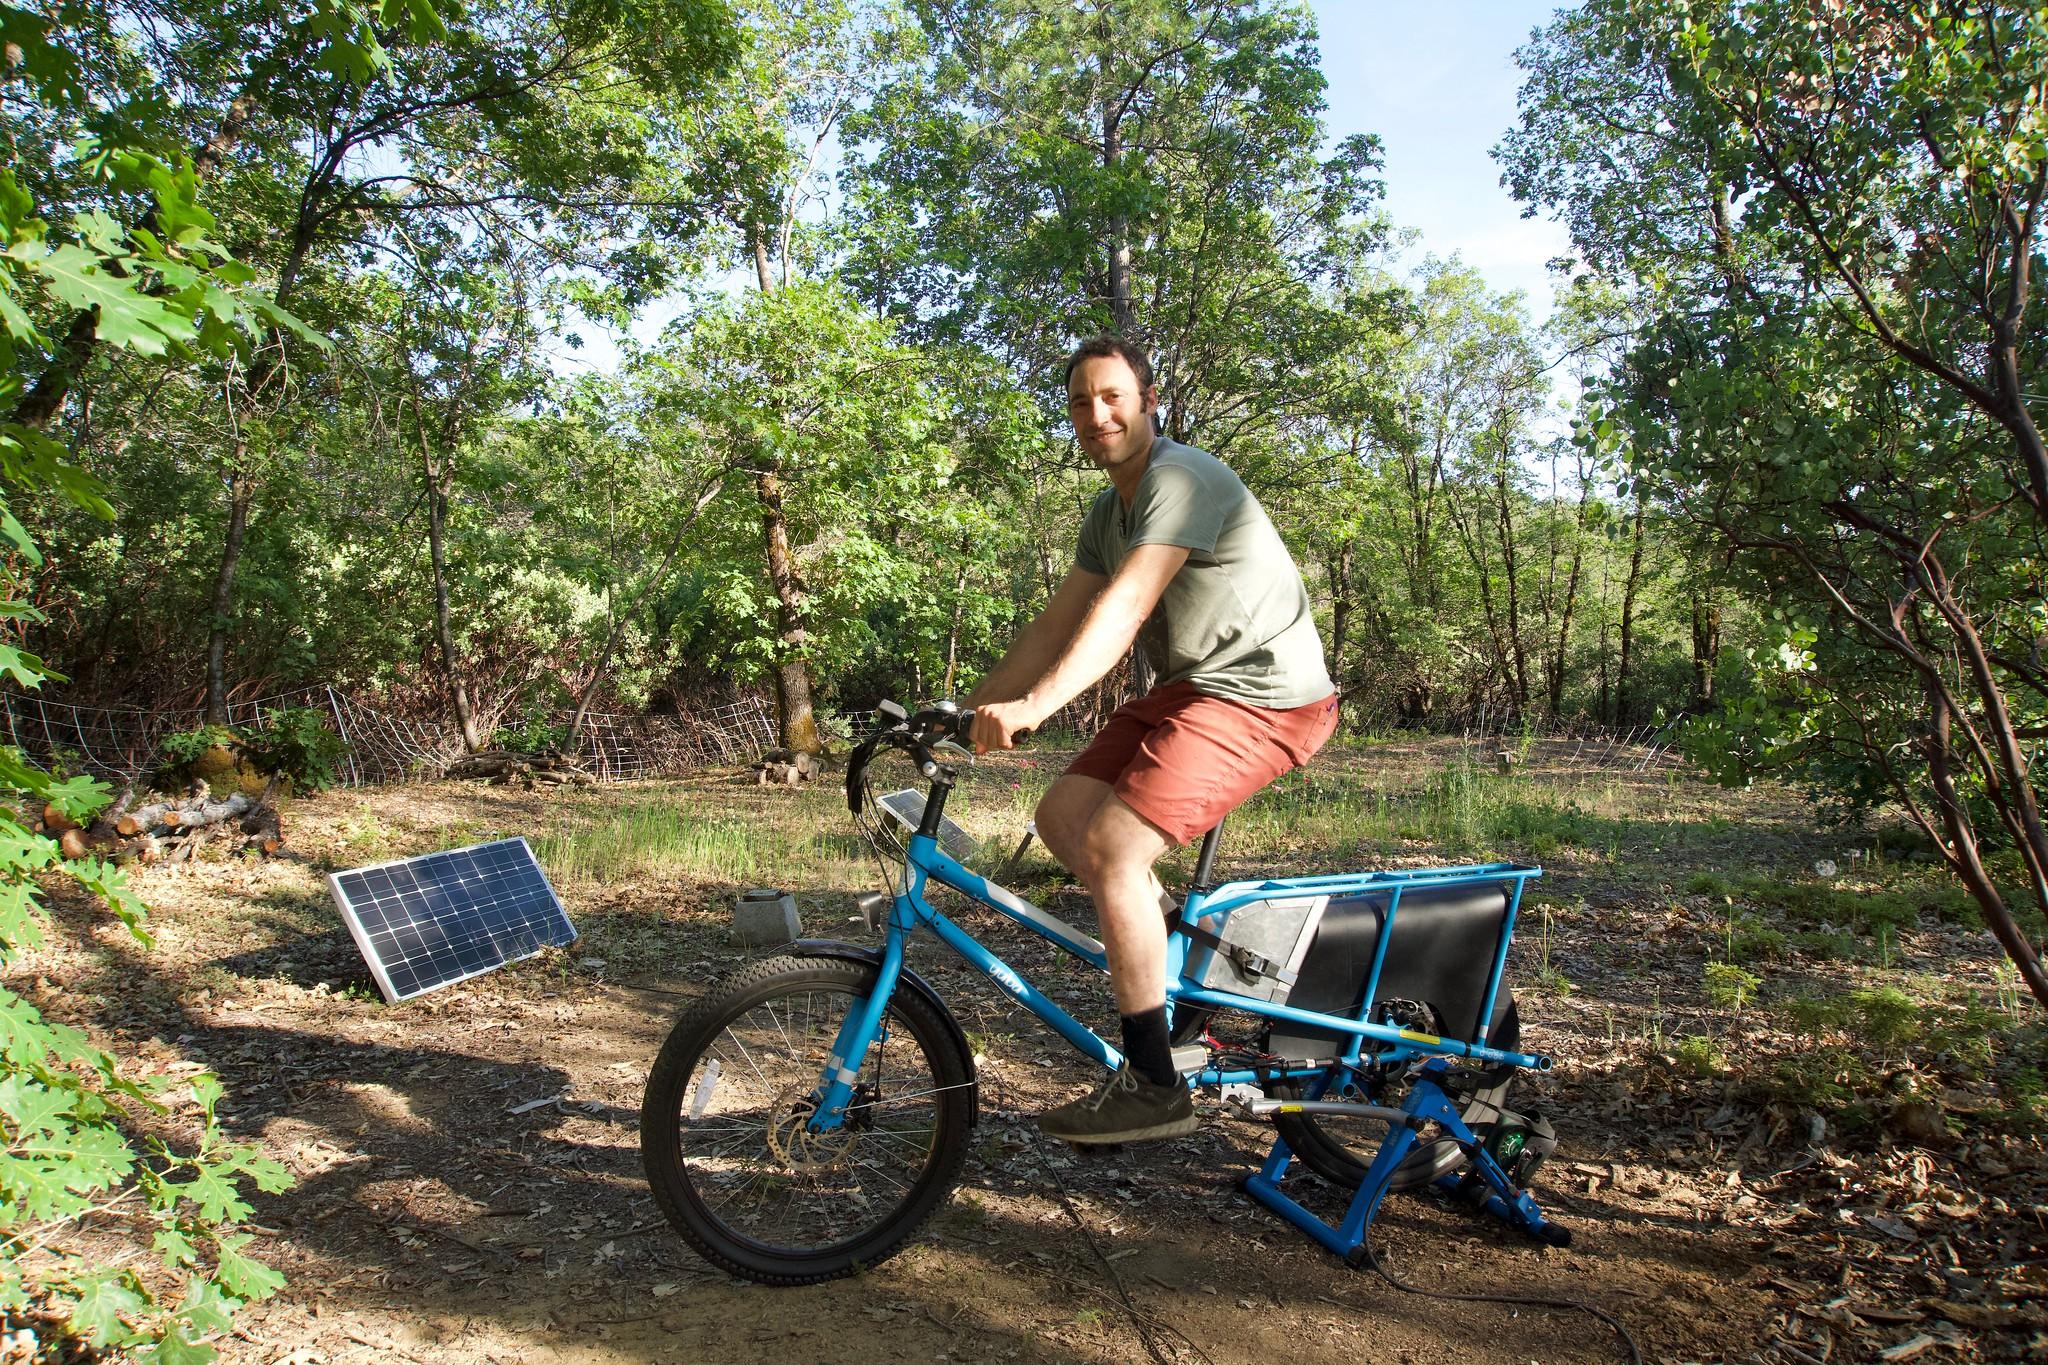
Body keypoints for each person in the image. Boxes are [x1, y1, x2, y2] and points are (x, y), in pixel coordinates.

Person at [967, 336, 1338, 1145]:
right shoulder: (1110, 511)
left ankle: (1153, 1084)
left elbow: (1125, 610)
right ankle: (1190, 992)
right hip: (1197, 689)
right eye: (1079, 402)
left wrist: (1034, 706)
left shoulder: (1179, 480)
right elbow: (1056, 623)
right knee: (1063, 818)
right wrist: (966, 709)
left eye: (1112, 397)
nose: (1096, 414)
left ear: (1148, 399)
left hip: (1267, 696)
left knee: (1113, 845)